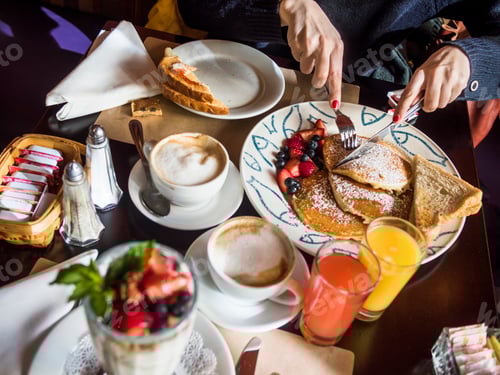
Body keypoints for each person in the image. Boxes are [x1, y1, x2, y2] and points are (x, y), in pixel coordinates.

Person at [167, 0, 499, 122]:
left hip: (367, 96)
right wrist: (285, 5)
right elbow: (196, 6)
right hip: (234, 76)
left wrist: (469, 58)